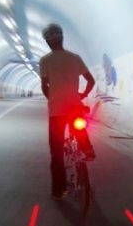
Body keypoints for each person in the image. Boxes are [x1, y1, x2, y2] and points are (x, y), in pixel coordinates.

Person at [39, 23, 96, 199]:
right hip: (74, 106)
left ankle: (59, 190)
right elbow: (91, 81)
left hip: (56, 111)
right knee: (79, 128)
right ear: (62, 37)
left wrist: (52, 99)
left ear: (47, 42)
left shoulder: (45, 61)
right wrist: (82, 95)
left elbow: (44, 86)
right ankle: (87, 149)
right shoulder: (75, 58)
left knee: (56, 152)